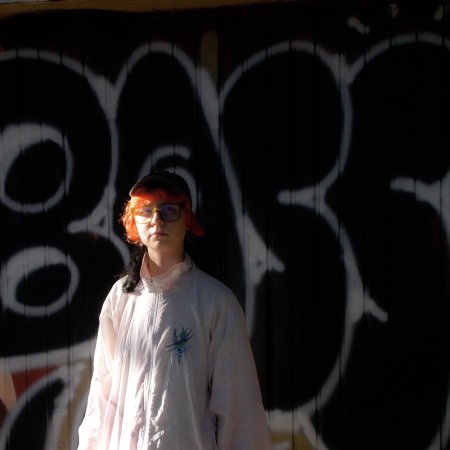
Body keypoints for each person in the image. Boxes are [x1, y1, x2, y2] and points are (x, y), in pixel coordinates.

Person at [77, 171, 272, 450]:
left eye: (169, 209)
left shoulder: (215, 302)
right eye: (146, 210)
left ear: (187, 219)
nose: (157, 219)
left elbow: (239, 406)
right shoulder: (121, 298)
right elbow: (102, 391)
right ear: (134, 222)